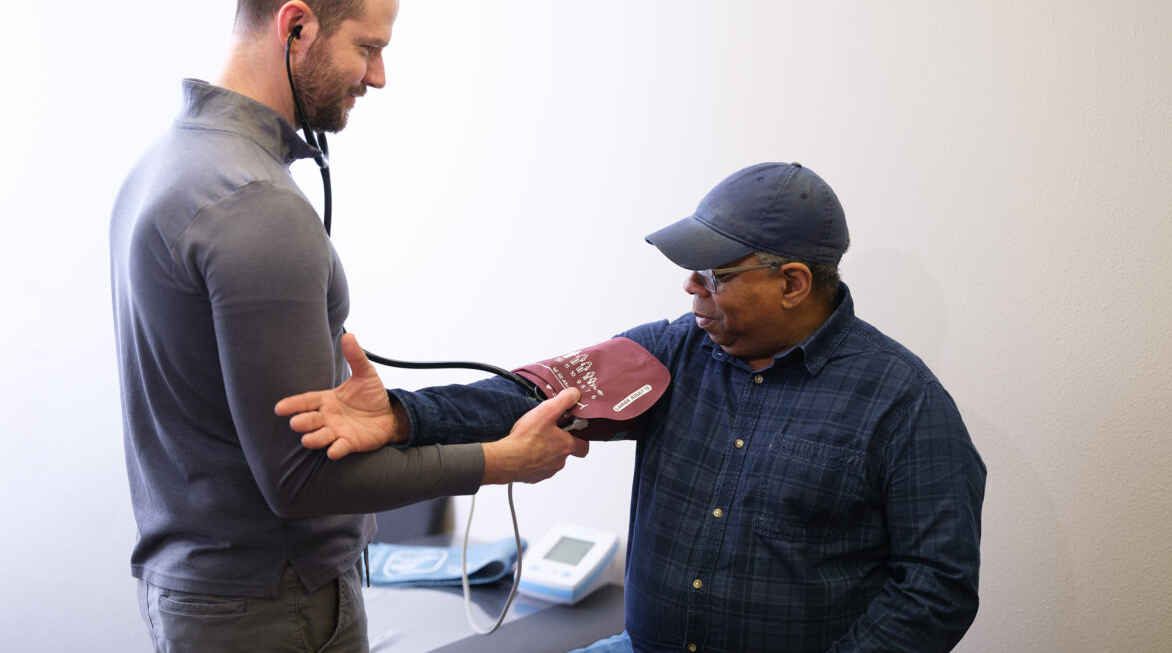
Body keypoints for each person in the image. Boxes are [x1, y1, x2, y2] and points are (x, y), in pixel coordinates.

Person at [277, 162, 987, 652]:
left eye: (715, 274)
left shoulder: (903, 405)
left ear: (794, 283)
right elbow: (523, 396)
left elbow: (937, 587)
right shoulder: (670, 355)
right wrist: (400, 417)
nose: (689, 289)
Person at [108, 0, 588, 651]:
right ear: (296, 26)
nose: (379, 76)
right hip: (274, 607)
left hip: (203, 591)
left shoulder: (167, 164)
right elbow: (301, 481)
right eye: (368, 48)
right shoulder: (254, 204)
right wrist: (502, 461)